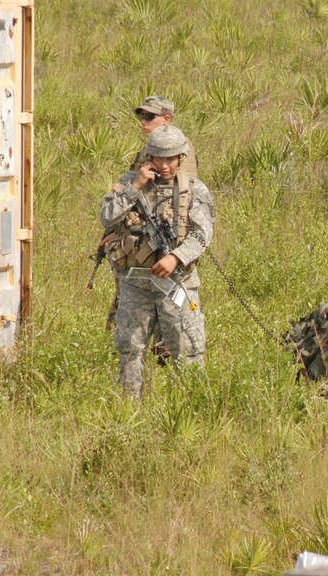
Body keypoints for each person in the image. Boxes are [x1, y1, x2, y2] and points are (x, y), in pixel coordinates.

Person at [99, 125, 214, 398]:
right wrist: (135, 186)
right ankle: (129, 408)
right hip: (136, 284)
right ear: (149, 156)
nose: (164, 165)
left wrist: (176, 257)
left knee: (187, 350)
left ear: (180, 158)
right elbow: (107, 217)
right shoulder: (129, 183)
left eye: (170, 159)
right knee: (130, 349)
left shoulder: (194, 190)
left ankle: (191, 406)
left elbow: (202, 234)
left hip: (177, 283)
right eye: (158, 158)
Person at [104, 95, 199, 331]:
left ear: (167, 120)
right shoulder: (145, 152)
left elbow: (176, 200)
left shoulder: (181, 153)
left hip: (164, 242)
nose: (143, 122)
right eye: (141, 116)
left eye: (149, 116)